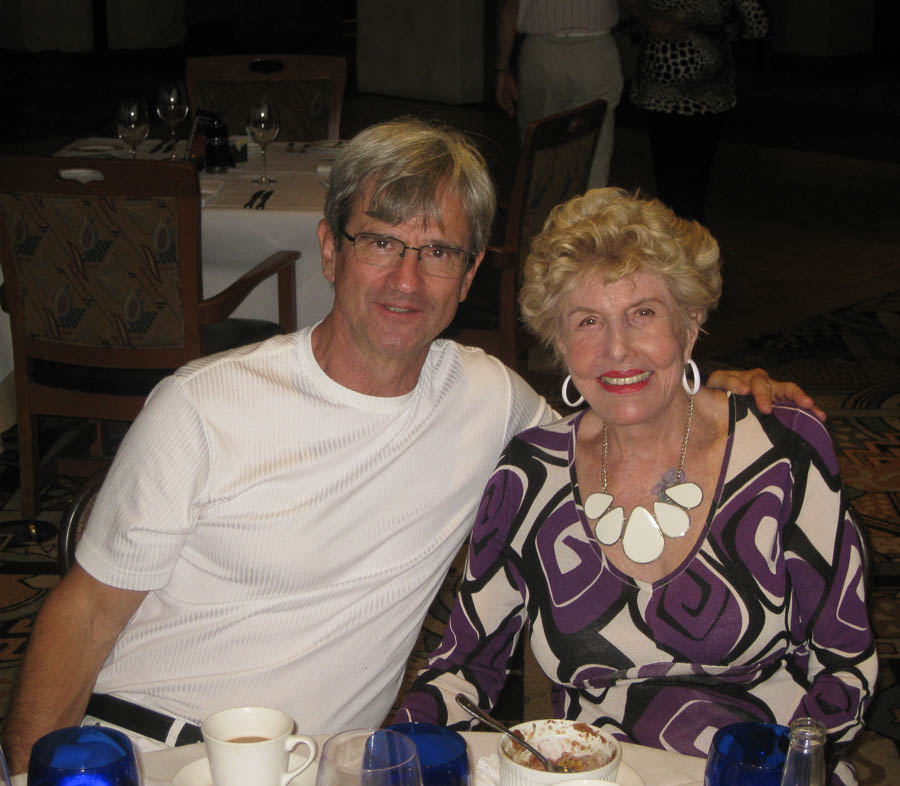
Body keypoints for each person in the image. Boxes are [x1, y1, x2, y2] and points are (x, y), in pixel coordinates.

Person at [2, 120, 819, 774]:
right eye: (381, 241)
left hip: (325, 767)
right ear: (331, 249)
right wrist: (30, 771)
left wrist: (707, 390)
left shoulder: (486, 396)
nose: (406, 279)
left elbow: (609, 422)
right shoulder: (203, 407)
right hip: (153, 749)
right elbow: (85, 615)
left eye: (438, 252)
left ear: (469, 275)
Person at [396, 188, 875, 785]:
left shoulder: (783, 451)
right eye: (588, 321)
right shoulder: (530, 473)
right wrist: (398, 752)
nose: (617, 349)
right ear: (559, 343)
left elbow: (844, 667)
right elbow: (464, 665)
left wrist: (779, 766)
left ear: (690, 324)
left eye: (643, 314)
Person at [624, 0, 768, 221]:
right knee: (678, 177)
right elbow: (628, 14)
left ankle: (684, 232)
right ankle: (677, 232)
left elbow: (757, 23)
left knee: (686, 177)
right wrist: (651, 21)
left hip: (701, 94)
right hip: (664, 93)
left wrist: (716, 31)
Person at [495, 0, 624, 188]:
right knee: (594, 154)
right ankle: (592, 203)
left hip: (543, 52)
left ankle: (544, 203)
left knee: (541, 156)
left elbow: (510, 6)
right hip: (595, 50)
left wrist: (502, 67)